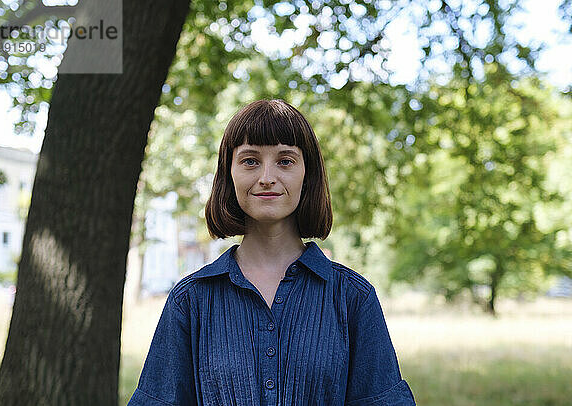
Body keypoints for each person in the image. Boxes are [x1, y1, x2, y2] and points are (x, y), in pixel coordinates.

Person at [128, 99, 416, 405]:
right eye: (250, 160)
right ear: (230, 174)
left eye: (285, 161)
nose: (267, 176)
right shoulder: (191, 300)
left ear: (308, 175)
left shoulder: (351, 298)